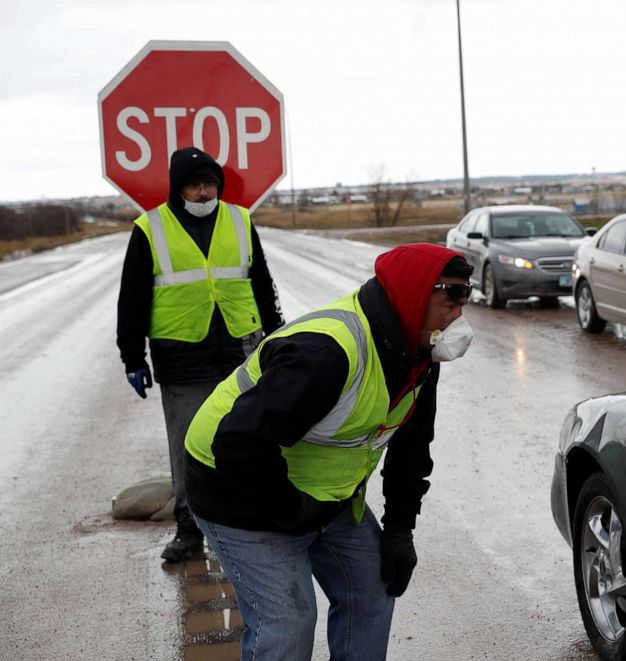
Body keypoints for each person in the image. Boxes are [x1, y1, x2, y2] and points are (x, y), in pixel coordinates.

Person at [184, 243, 474, 661]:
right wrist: (290, 512)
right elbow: (238, 444)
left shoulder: (419, 356)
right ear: (414, 298)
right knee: (288, 622)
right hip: (237, 489)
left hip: (323, 497)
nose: (456, 321)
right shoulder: (327, 352)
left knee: (373, 588)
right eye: (449, 306)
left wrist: (399, 530)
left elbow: (411, 449)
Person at [116, 146, 284, 563]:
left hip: (243, 349)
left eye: (209, 183)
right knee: (189, 446)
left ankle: (246, 525)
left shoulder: (240, 220)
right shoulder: (150, 228)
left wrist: (279, 338)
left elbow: (262, 283)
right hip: (182, 356)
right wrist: (132, 357)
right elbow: (132, 298)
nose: (204, 192)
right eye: (194, 185)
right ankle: (189, 530)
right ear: (178, 189)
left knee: (249, 439)